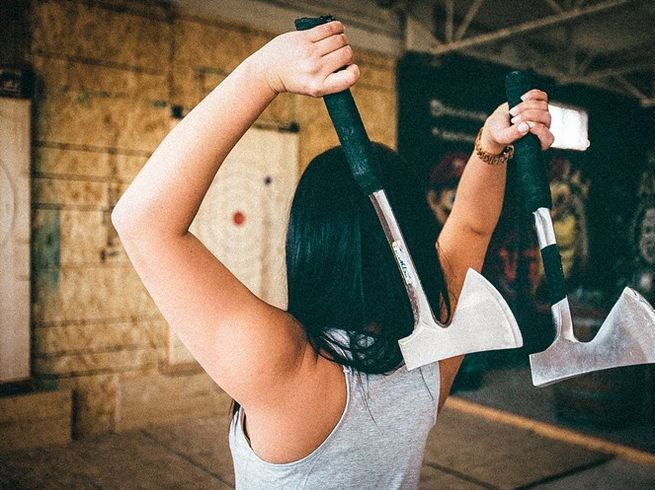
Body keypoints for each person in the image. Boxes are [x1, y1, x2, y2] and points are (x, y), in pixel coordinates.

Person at [112, 20, 553, 489]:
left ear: (309, 243)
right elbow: (472, 226)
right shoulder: (436, 352)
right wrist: (490, 146)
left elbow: (143, 222)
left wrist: (264, 74)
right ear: (418, 227)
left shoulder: (286, 367)